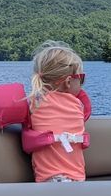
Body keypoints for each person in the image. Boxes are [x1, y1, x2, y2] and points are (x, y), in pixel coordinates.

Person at [27, 40, 89, 183]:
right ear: (68, 82)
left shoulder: (33, 103)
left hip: (49, 181)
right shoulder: (78, 106)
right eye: (81, 79)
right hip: (77, 180)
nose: (82, 84)